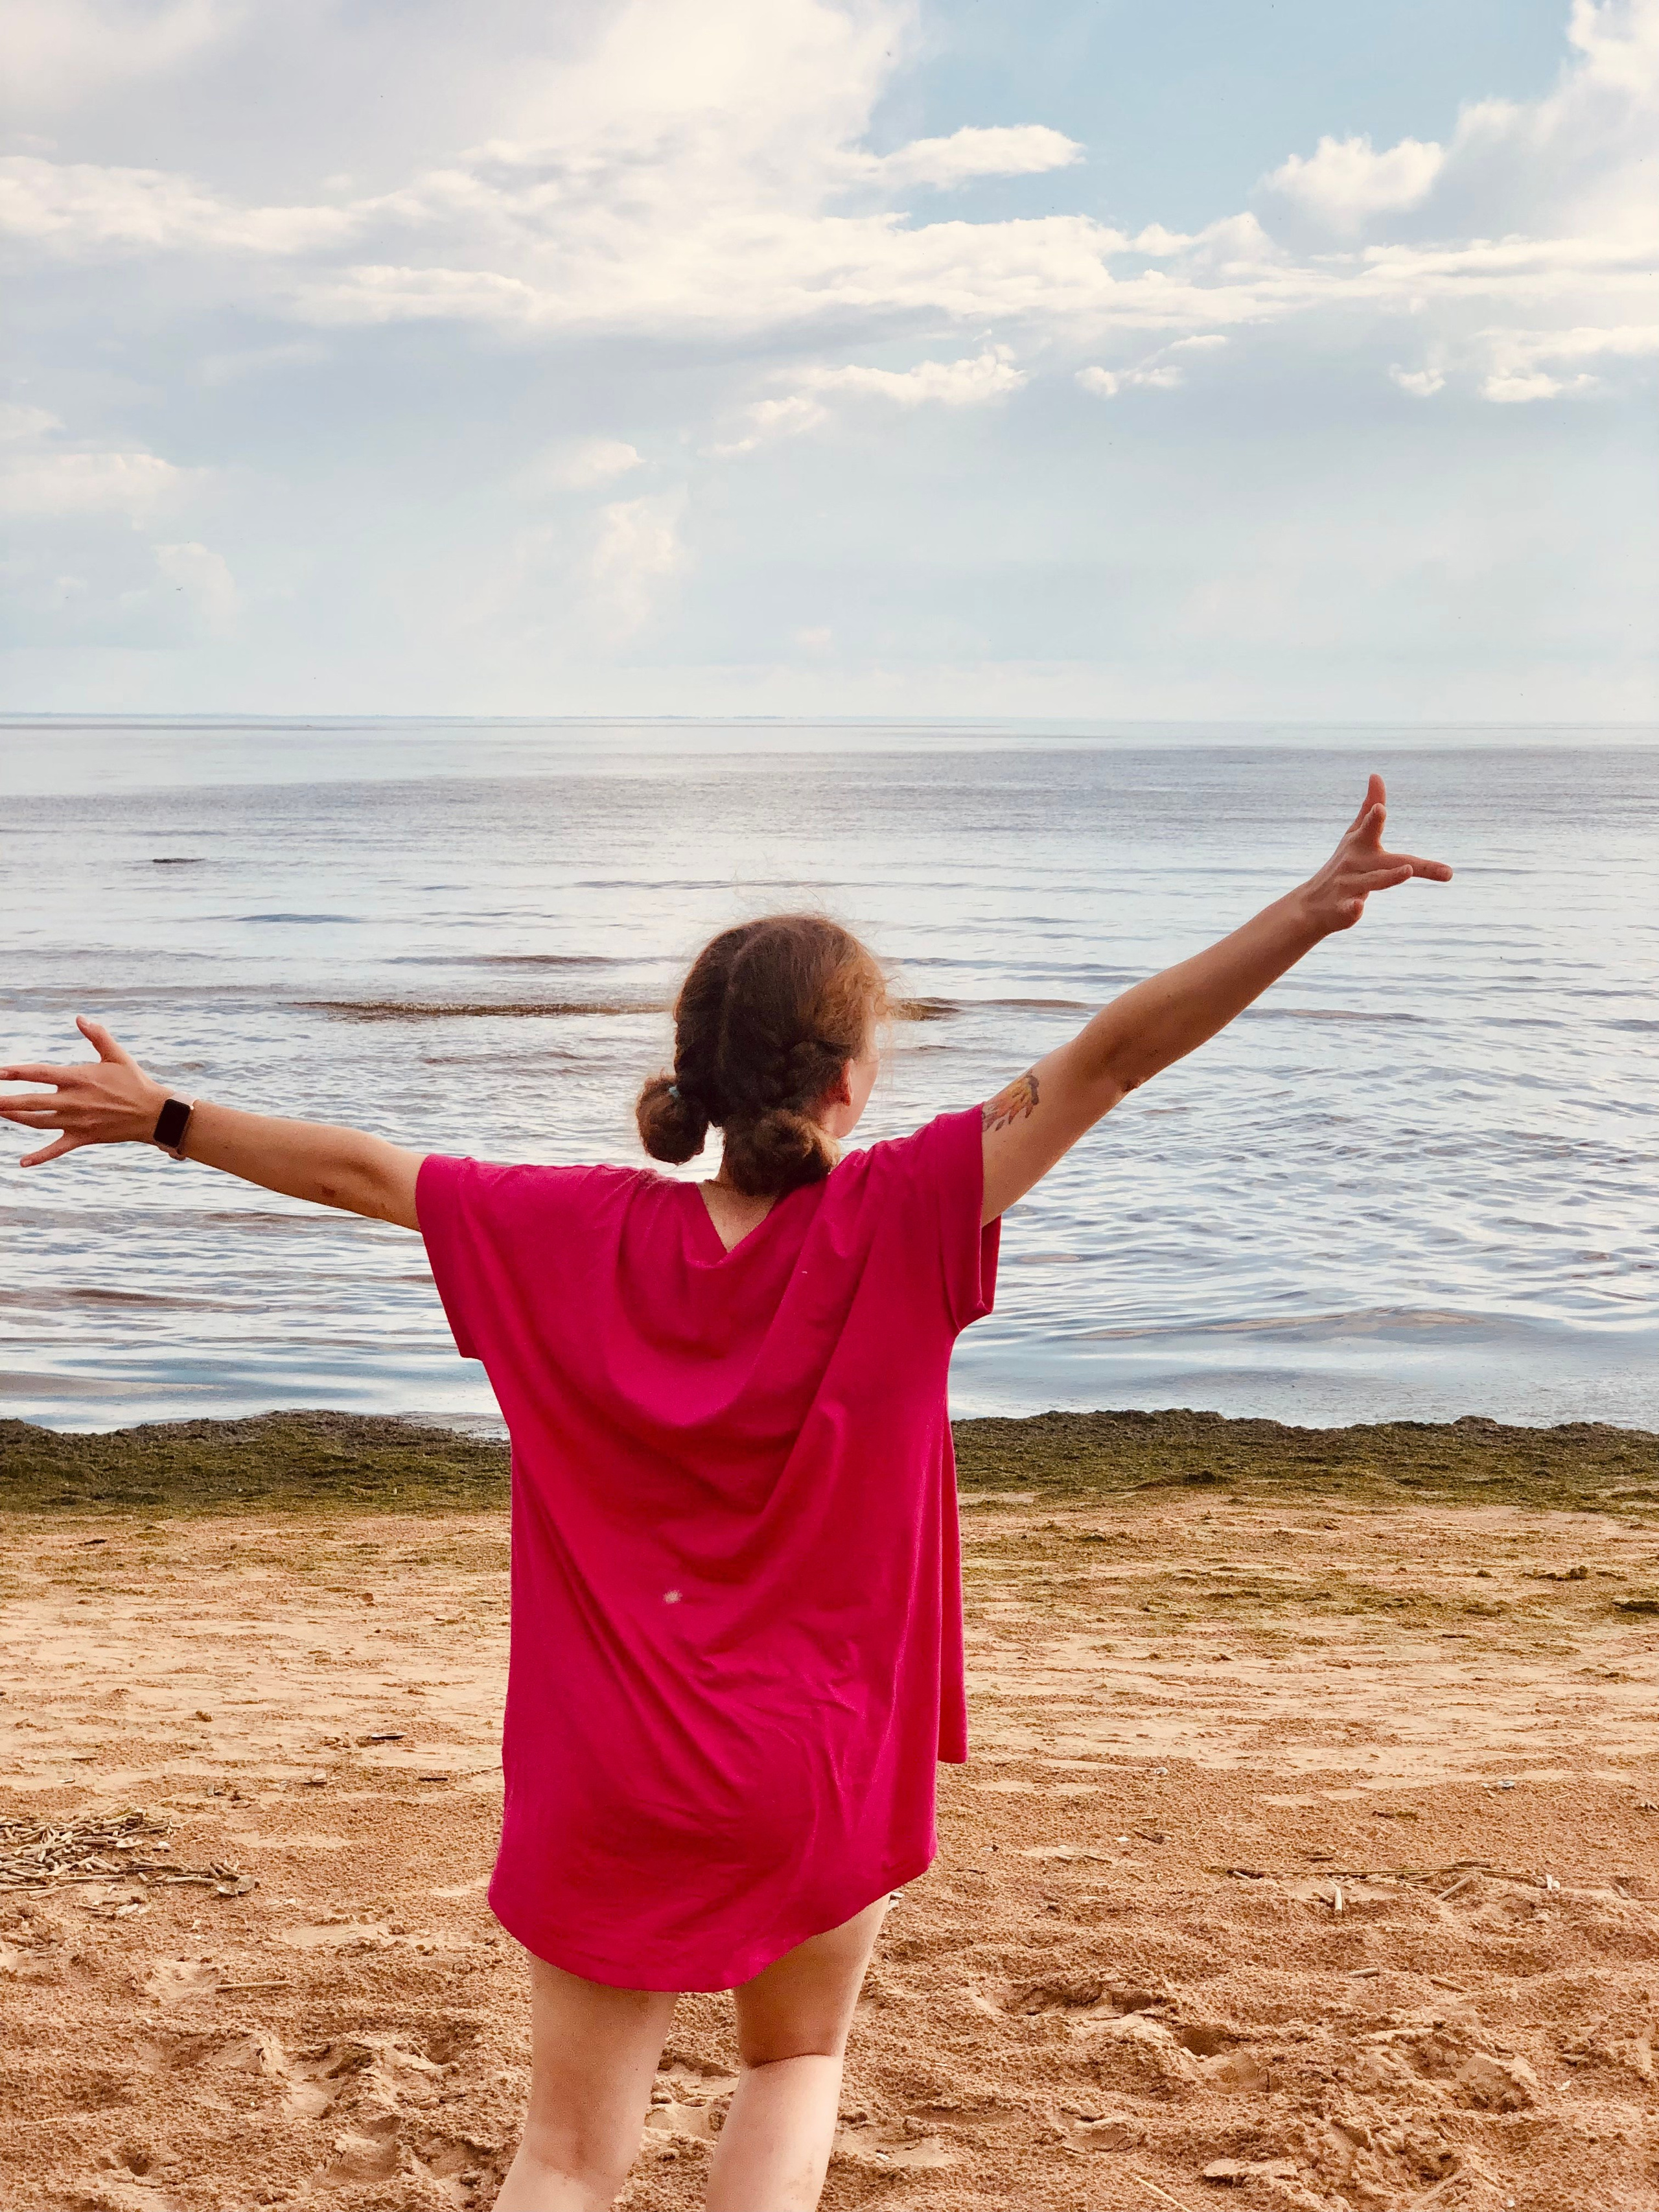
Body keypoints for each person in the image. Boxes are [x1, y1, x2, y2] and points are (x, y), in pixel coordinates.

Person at [1, 774, 1448, 2211]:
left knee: (564, 2159)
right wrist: (1304, 914)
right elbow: (1108, 1059)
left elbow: (363, 1175)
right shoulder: (905, 1213)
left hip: (605, 1771)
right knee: (788, 2072)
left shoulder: (558, 1230)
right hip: (809, 1766)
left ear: (692, 1070)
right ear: (840, 1081)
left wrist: (170, 1114)